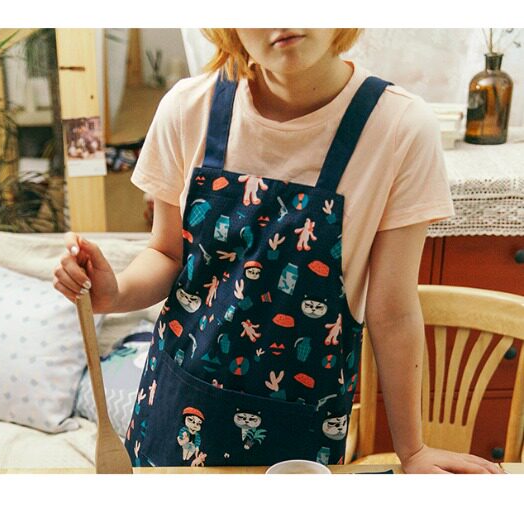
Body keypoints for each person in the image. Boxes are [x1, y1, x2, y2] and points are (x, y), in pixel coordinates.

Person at [53, 29, 505, 474]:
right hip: (178, 409)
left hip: (300, 426)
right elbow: (168, 255)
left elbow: (393, 311)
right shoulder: (187, 108)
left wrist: (413, 450)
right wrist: (115, 293)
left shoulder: (399, 128)